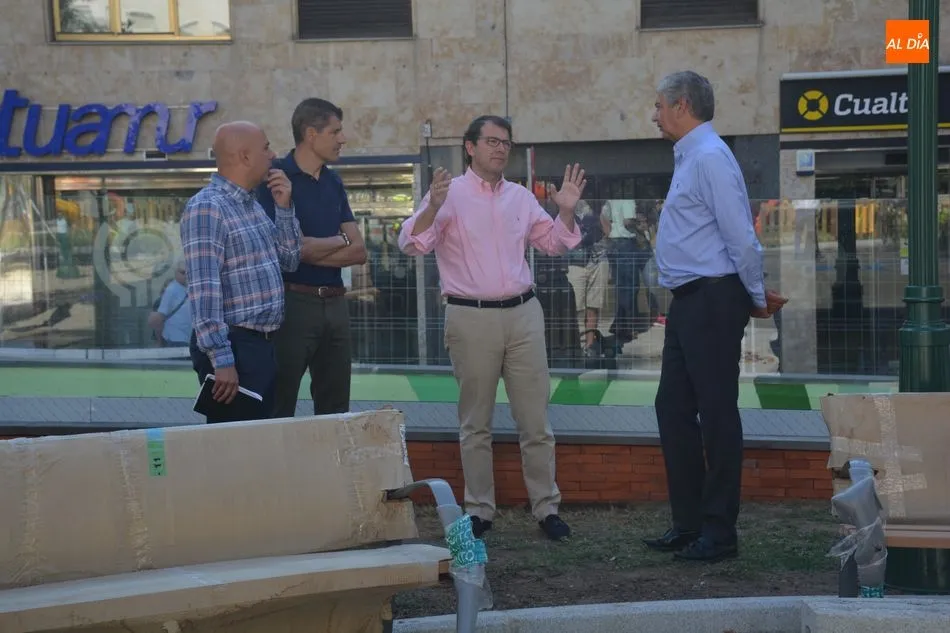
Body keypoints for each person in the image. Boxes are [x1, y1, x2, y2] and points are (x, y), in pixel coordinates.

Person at [397, 115, 586, 542]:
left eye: (506, 143)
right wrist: (432, 206)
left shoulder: (520, 196)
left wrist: (566, 211)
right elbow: (410, 243)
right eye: (492, 141)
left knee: (535, 421)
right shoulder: (448, 194)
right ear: (470, 147)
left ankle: (547, 509)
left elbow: (554, 244)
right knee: (475, 422)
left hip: (523, 314)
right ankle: (479, 510)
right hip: (470, 316)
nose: (501, 149)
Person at [642, 71, 785, 562]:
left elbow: (741, 237)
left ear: (681, 105)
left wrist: (753, 296)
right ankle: (689, 524)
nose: (654, 115)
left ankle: (719, 533)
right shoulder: (691, 156)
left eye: (659, 106)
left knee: (718, 414)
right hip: (690, 301)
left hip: (712, 299)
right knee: (672, 409)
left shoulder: (710, 157)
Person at [180, 121, 302, 423]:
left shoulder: (252, 206)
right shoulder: (208, 207)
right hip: (234, 348)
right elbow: (204, 290)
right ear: (245, 156)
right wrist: (222, 360)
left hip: (261, 346)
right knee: (234, 443)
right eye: (266, 148)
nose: (272, 155)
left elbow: (289, 261)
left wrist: (284, 208)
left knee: (258, 440)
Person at [257, 98, 366, 419]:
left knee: (336, 409)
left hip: (336, 303)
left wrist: (306, 248)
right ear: (310, 134)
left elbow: (359, 251)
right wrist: (338, 240)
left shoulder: (333, 181)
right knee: (279, 404)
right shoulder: (274, 179)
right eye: (335, 132)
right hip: (291, 305)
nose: (342, 139)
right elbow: (288, 250)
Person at [147, 258, 191, 348]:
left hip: (187, 337)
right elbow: (160, 317)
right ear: (176, 273)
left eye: (189, 272)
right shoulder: (171, 290)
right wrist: (159, 341)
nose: (186, 275)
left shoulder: (188, 288)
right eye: (182, 272)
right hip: (175, 338)